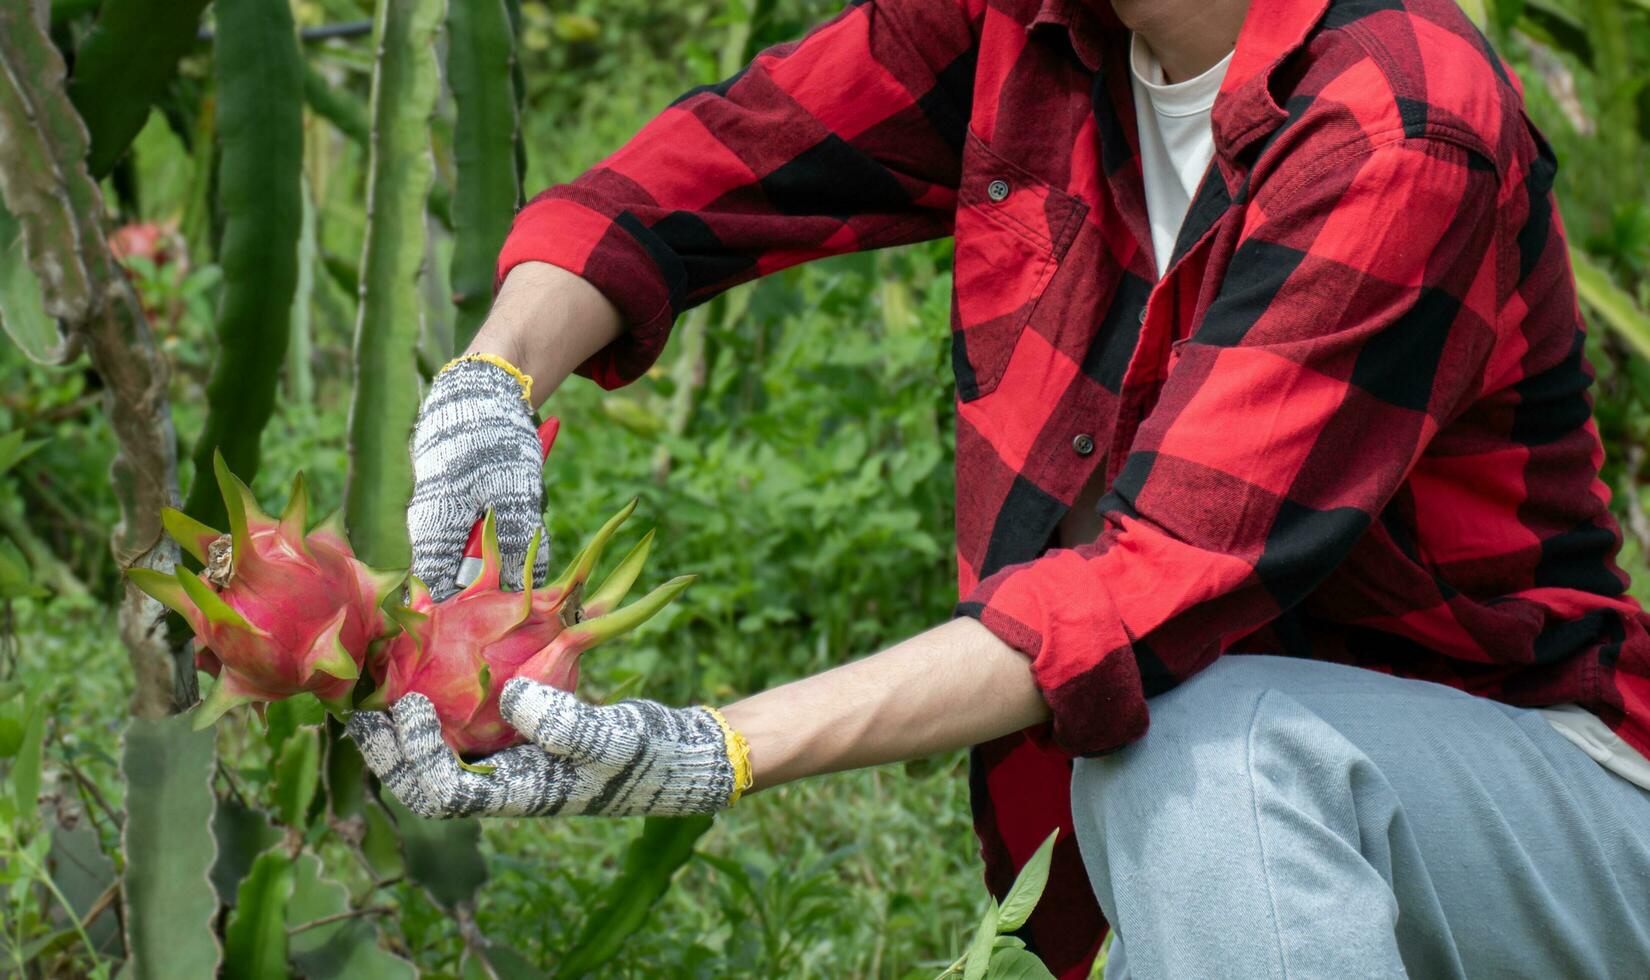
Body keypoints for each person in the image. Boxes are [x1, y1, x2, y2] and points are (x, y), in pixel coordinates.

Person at [347, 0, 1650, 974]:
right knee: (1188, 762)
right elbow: (697, 174)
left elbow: (1139, 595)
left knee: (1215, 745)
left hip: (1536, 801)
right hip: (1210, 864)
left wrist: (712, 749)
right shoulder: (1022, 28)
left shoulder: (1399, 124)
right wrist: (490, 380)